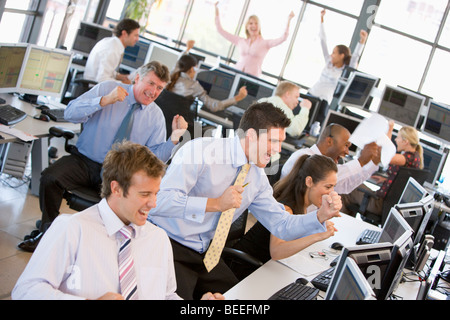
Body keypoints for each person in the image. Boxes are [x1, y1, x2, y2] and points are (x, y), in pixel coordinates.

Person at [148, 102, 341, 299]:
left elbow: (281, 224)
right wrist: (215, 204)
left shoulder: (256, 177)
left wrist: (319, 216)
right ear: (250, 136)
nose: (277, 150)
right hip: (170, 245)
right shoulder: (200, 151)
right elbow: (159, 201)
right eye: (273, 141)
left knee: (241, 300)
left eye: (280, 142)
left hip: (207, 255)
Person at [12, 141, 224, 300]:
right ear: (116, 188)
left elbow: (166, 296)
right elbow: (25, 291)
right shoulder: (72, 229)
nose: (153, 204)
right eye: (144, 194)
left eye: (156, 194)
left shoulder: (157, 239)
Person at [18, 61, 188, 252]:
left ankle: (101, 249)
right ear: (138, 78)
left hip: (118, 173)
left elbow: (154, 159)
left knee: (126, 201)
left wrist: (174, 139)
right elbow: (70, 112)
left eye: (159, 88)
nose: (154, 91)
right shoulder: (108, 88)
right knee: (50, 178)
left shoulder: (156, 116)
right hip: (84, 161)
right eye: (150, 83)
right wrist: (104, 100)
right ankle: (47, 232)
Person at [229, 154, 339, 280]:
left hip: (264, 268)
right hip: (243, 268)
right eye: (328, 187)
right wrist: (318, 236)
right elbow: (276, 251)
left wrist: (316, 226)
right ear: (309, 182)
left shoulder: (302, 204)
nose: (331, 192)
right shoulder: (287, 207)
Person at [281, 123, 381, 209]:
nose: (347, 152)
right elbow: (322, 174)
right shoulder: (303, 156)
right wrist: (360, 161)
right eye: (346, 145)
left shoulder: (323, 164)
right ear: (329, 141)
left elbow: (346, 185)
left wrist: (373, 162)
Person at [340, 122, 423, 217]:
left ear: (405, 141)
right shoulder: (415, 157)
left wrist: (390, 129)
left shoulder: (407, 158)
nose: (396, 140)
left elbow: (384, 155)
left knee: (346, 188)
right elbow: (402, 182)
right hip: (385, 202)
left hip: (380, 204)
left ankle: (340, 223)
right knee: (352, 187)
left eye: (398, 137)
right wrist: (387, 180)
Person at [215, 2, 295, 77]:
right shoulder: (240, 41)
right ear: (247, 26)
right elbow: (220, 30)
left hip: (252, 77)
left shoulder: (265, 43)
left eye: (256, 23)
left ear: (259, 27)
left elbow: (283, 38)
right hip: (236, 72)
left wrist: (288, 20)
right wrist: (216, 10)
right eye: (251, 23)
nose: (254, 25)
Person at [308, 9, 368, 104]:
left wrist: (362, 41)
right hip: (311, 94)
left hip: (324, 101)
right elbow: (323, 40)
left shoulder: (344, 70)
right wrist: (322, 19)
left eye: (334, 53)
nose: (331, 55)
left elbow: (355, 57)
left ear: (341, 55)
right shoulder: (328, 61)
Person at [166, 53, 248, 112]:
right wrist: (238, 97)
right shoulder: (194, 86)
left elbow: (178, 64)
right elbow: (214, 106)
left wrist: (188, 48)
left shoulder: (170, 76)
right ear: (192, 69)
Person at [84, 18, 140, 84]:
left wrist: (121, 77)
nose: (137, 39)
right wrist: (124, 83)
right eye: (135, 35)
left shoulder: (112, 43)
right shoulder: (112, 49)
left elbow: (107, 70)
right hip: (93, 88)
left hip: (93, 85)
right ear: (124, 33)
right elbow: (102, 79)